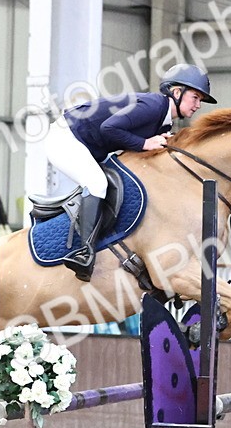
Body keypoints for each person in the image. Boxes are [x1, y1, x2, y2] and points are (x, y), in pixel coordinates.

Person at [43, 63, 217, 281]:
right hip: (65, 138)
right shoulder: (154, 106)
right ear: (176, 92)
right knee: (97, 183)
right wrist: (144, 143)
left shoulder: (163, 123)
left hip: (86, 145)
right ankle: (84, 253)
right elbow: (109, 128)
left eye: (200, 100)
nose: (198, 105)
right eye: (195, 97)